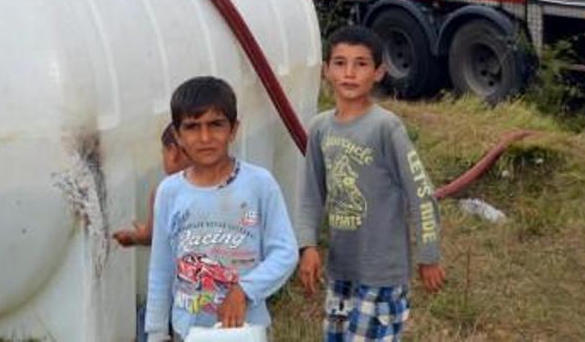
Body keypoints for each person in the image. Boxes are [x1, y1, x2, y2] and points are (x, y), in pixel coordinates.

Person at [296, 25, 444, 341]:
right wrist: (307, 246)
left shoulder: (386, 127)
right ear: (326, 70)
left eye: (361, 64)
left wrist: (428, 254)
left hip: (382, 273)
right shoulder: (320, 127)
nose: (349, 73)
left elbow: (420, 192)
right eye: (340, 62)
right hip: (341, 270)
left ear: (378, 72)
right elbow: (310, 193)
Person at [144, 77, 297, 341]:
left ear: (234, 129)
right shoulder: (169, 192)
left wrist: (244, 291)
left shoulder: (259, 184)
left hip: (245, 329)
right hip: (187, 329)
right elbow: (160, 269)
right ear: (178, 135)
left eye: (216, 124)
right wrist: (157, 332)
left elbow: (285, 252)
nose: (205, 137)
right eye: (192, 127)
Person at [113, 123, 191, 248]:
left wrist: (132, 237)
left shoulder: (165, 192)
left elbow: (150, 237)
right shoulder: (217, 183)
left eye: (163, 153)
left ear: (173, 152)